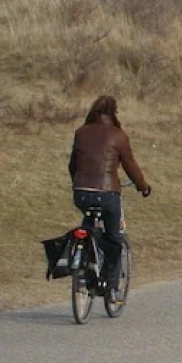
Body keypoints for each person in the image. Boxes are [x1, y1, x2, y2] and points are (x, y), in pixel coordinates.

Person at [69, 95, 150, 297]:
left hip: (81, 193)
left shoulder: (81, 132)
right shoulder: (118, 135)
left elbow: (73, 164)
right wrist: (143, 187)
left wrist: (78, 183)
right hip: (107, 194)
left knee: (89, 225)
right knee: (114, 238)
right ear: (114, 113)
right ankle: (111, 288)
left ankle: (85, 263)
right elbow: (130, 165)